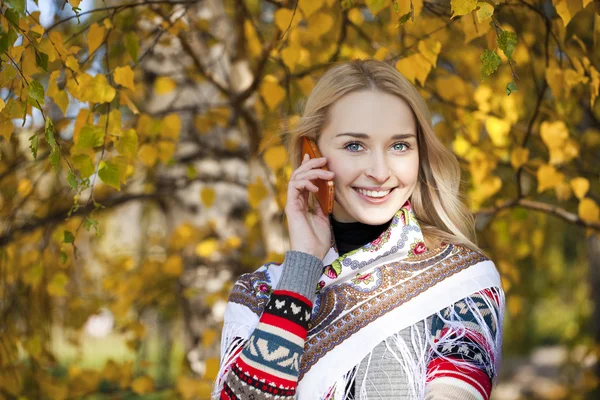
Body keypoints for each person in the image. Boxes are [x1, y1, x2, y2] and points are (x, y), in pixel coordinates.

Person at [212, 59, 505, 400]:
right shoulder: (260, 293)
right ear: (313, 154)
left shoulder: (461, 280)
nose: (380, 171)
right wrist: (303, 265)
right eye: (355, 145)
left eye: (400, 146)